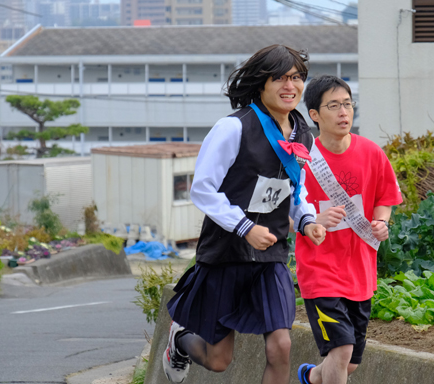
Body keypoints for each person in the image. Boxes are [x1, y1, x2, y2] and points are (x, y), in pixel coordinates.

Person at [162, 44, 326, 384]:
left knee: (281, 347)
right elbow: (203, 189)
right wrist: (245, 227)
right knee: (219, 360)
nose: (289, 86)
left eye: (296, 78)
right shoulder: (233, 128)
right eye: (278, 78)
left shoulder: (302, 134)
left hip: (270, 258)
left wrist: (307, 219)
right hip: (226, 254)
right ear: (260, 84)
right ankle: (180, 341)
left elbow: (297, 189)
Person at [295, 75, 403, 384]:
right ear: (314, 114)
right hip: (320, 272)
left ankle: (311, 377)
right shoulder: (301, 161)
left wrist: (382, 222)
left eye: (347, 104)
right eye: (333, 106)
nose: (344, 112)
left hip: (360, 271)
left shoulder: (371, 153)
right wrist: (313, 221)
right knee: (341, 351)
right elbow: (283, 215)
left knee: (348, 363)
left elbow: (386, 198)